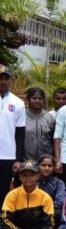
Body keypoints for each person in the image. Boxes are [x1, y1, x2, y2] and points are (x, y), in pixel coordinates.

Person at [0, 160, 55, 229]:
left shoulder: (45, 197)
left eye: (32, 175)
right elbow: (5, 219)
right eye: (24, 175)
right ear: (19, 176)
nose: (28, 178)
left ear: (38, 176)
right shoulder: (12, 195)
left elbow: (49, 224)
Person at [0, 65, 25, 204]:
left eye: (5, 78)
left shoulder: (18, 103)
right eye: (0, 78)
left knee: (4, 191)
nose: (3, 81)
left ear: (10, 80)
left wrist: (18, 159)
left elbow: (20, 133)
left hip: (8, 156)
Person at [36, 155, 66, 229]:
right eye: (43, 165)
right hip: (34, 211)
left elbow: (60, 201)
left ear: (53, 168)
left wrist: (45, 208)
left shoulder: (58, 183)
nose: (46, 168)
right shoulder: (32, 181)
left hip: (52, 211)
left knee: (58, 213)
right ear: (38, 166)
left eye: (50, 166)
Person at [24, 88, 55, 162]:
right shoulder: (22, 116)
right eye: (34, 98)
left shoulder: (49, 117)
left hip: (46, 161)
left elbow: (53, 140)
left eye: (40, 98)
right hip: (26, 160)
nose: (37, 100)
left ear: (44, 100)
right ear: (28, 99)